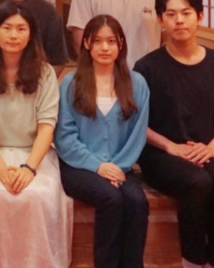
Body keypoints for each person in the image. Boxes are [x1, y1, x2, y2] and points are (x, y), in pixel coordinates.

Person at [134, 0, 214, 268]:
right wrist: (171, 147)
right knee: (197, 183)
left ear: (199, 17)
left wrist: (212, 148)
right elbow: (135, 122)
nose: (179, 20)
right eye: (171, 14)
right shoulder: (147, 67)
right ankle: (193, 261)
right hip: (161, 153)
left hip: (207, 150)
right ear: (160, 20)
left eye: (186, 13)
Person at [0, 1, 72, 267]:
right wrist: (1, 170)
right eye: (7, 28)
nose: (13, 35)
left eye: (21, 29)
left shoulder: (45, 72)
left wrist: (29, 168)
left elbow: (47, 126)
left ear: (31, 34)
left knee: (36, 197)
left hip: (36, 155)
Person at [56, 15, 150, 268]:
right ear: (86, 44)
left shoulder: (137, 83)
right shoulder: (71, 83)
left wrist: (116, 167)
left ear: (121, 44)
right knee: (111, 198)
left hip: (121, 167)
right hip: (78, 166)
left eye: (111, 41)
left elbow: (138, 135)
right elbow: (64, 136)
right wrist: (98, 166)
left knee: (137, 202)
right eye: (97, 41)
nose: (105, 47)